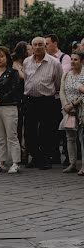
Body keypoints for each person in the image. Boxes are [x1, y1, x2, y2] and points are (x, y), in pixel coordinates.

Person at [23, 36, 62, 170]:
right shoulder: (26, 62)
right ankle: (36, 157)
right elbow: (27, 80)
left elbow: (58, 83)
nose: (38, 47)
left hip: (47, 101)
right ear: (32, 47)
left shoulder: (54, 63)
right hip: (30, 100)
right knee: (29, 132)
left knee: (47, 132)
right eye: (35, 45)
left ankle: (46, 159)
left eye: (41, 44)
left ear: (45, 46)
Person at [0, 47, 22, 174]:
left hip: (9, 106)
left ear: (7, 58)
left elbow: (15, 90)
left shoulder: (13, 73)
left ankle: (16, 162)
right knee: (0, 137)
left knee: (12, 136)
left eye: (1, 56)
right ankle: (1, 162)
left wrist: (0, 98)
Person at [45, 33, 72, 164]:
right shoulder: (44, 58)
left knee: (65, 127)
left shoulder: (64, 58)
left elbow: (62, 75)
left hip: (62, 99)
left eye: (47, 44)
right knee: (52, 128)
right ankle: (54, 155)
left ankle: (68, 156)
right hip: (51, 99)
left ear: (55, 43)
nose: (45, 46)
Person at [59, 50, 84, 174]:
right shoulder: (66, 75)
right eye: (72, 59)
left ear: (82, 61)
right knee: (70, 138)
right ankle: (72, 163)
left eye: (76, 59)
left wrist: (74, 104)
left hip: (81, 110)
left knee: (82, 138)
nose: (73, 62)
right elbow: (61, 91)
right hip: (68, 110)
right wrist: (66, 106)